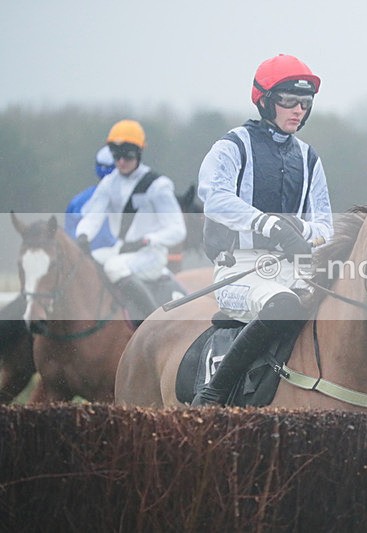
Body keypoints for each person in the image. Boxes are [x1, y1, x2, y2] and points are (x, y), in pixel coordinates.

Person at [192, 54, 333, 406]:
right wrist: (269, 225)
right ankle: (213, 394)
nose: (298, 110)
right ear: (266, 100)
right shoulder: (233, 145)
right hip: (239, 269)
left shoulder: (309, 158)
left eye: (305, 102)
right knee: (283, 305)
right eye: (289, 100)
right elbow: (215, 197)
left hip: (294, 269)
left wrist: (296, 227)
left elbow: (327, 227)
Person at [76, 119, 187, 321]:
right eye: (116, 156)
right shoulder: (109, 184)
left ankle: (151, 323)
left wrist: (148, 239)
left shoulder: (158, 186)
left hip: (151, 255)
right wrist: (83, 235)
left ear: (139, 152)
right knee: (83, 264)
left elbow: (177, 230)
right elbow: (92, 216)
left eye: (127, 156)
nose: (121, 162)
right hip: (120, 250)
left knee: (114, 267)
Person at [65, 145, 116, 249]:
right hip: (111, 255)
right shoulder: (131, 196)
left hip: (80, 257)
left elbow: (70, 233)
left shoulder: (79, 200)